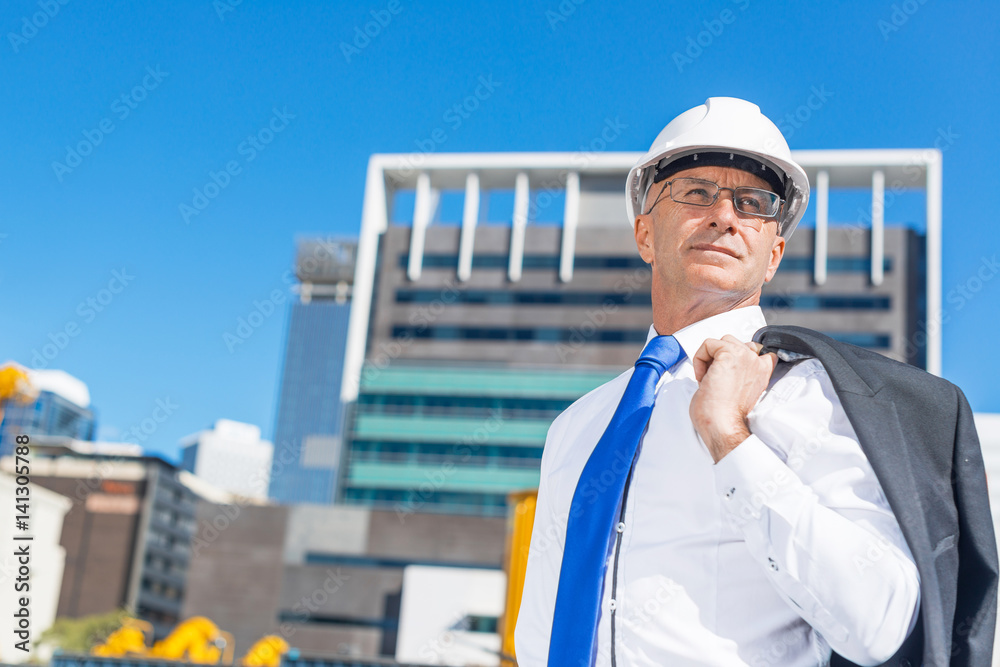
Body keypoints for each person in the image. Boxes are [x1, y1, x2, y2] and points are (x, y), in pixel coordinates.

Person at [513, 97, 996, 666]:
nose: (725, 215)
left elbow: (882, 623)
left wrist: (732, 443)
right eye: (696, 193)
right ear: (645, 234)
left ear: (773, 256)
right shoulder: (575, 428)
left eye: (753, 202)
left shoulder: (818, 396)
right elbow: (541, 627)